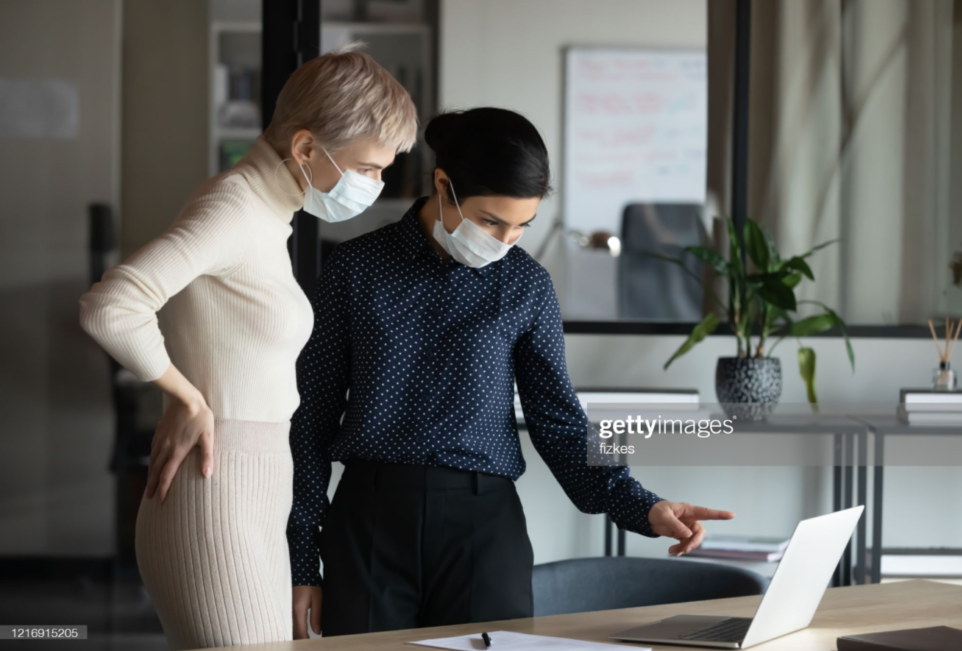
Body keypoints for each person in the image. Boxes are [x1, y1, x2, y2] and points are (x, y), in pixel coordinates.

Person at [288, 107, 735, 638]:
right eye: (490, 221)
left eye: (521, 227)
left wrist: (642, 505)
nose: (504, 241)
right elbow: (308, 421)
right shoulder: (354, 269)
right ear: (443, 185)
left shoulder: (526, 286)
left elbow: (560, 423)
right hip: (370, 522)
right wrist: (302, 563)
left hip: (483, 529)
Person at [78, 46, 417, 650]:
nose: (377, 184)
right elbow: (111, 305)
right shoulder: (233, 205)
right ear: (307, 149)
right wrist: (185, 399)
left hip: (253, 483)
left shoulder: (268, 213)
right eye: (369, 168)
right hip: (215, 488)